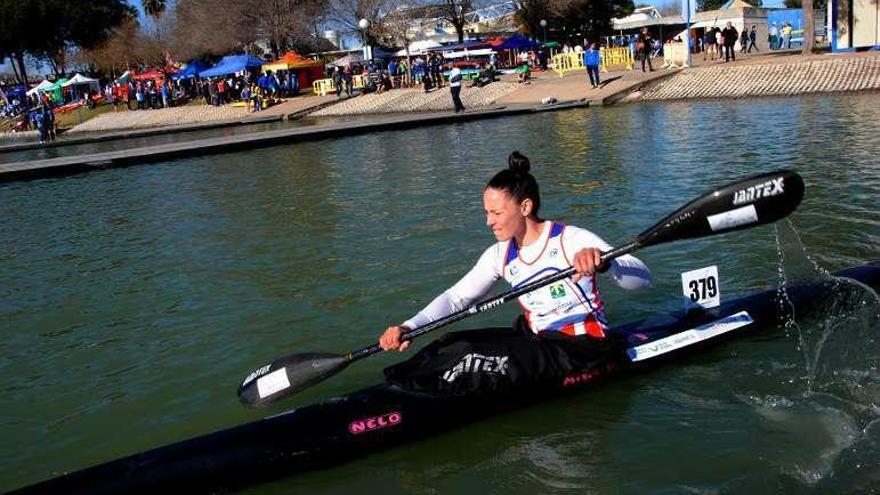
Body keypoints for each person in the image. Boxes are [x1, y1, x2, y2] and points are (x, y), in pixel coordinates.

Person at [379, 152, 651, 354]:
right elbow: (456, 298)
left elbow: (642, 280)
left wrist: (606, 265)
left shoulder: (571, 239)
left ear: (525, 207)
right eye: (487, 213)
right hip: (539, 343)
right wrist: (409, 327)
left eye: (496, 213)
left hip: (584, 346)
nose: (489, 221)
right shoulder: (500, 254)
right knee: (453, 345)